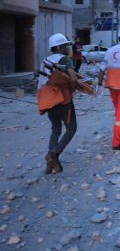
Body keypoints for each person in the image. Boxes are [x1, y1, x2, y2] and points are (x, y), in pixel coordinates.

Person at [37, 33, 78, 174]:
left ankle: (50, 164)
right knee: (71, 128)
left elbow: (41, 83)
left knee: (56, 128)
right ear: (60, 47)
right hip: (63, 99)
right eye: (66, 45)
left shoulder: (45, 60)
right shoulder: (65, 59)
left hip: (48, 99)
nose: (68, 47)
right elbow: (73, 78)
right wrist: (72, 90)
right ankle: (54, 154)